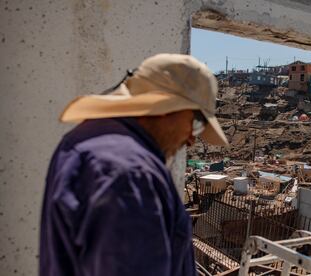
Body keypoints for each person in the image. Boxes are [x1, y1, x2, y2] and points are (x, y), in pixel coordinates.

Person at [40, 54, 228, 276]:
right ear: (167, 107)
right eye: (197, 125)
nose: (191, 140)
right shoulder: (130, 172)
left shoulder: (84, 141)